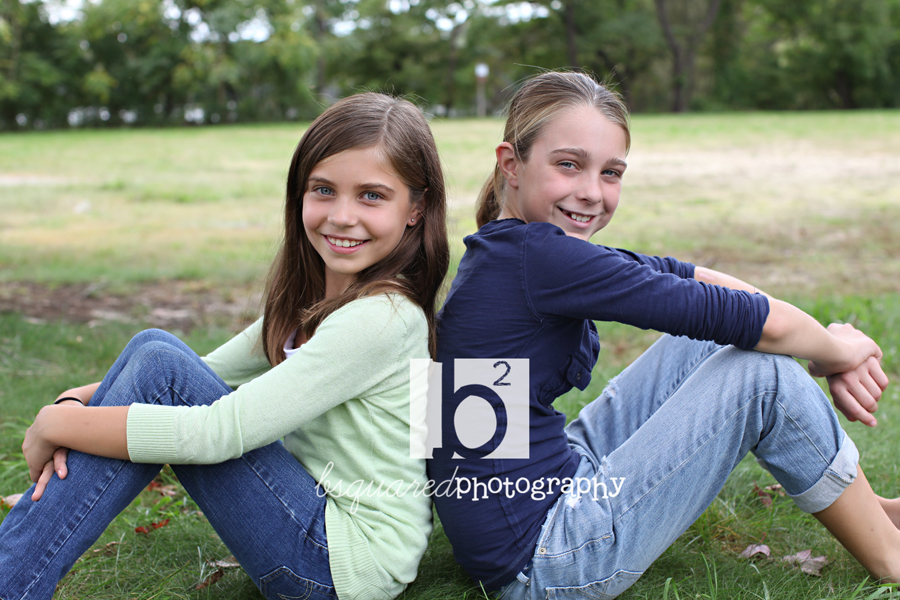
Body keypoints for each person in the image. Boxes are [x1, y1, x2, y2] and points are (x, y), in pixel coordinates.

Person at [428, 71, 897, 599]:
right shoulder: (539, 258)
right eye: (569, 164)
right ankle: (891, 556)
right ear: (511, 164)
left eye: (611, 172)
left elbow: (687, 276)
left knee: (706, 340)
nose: (591, 191)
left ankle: (872, 512)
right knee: (762, 375)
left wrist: (822, 345)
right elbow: (751, 321)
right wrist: (837, 351)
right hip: (542, 558)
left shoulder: (512, 249)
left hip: (536, 496)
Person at [0, 92, 449, 600]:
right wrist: (70, 403)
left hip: (342, 563)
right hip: (315, 525)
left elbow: (216, 432)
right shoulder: (317, 299)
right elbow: (195, 373)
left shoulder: (381, 318)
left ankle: (10, 581)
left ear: (416, 209)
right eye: (324, 190)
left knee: (158, 359)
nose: (342, 216)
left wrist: (58, 425)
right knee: (156, 353)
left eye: (371, 196)